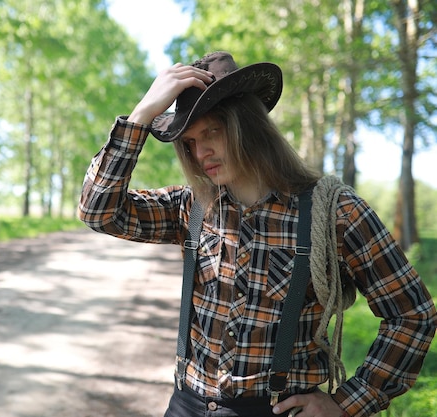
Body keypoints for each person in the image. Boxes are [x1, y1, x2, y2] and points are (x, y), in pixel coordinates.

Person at [77, 51, 436, 417]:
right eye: (190, 142)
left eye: (212, 132)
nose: (201, 153)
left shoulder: (333, 211)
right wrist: (140, 116)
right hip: (186, 405)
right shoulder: (191, 206)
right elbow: (99, 211)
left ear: (247, 125)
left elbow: (412, 314)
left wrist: (347, 403)